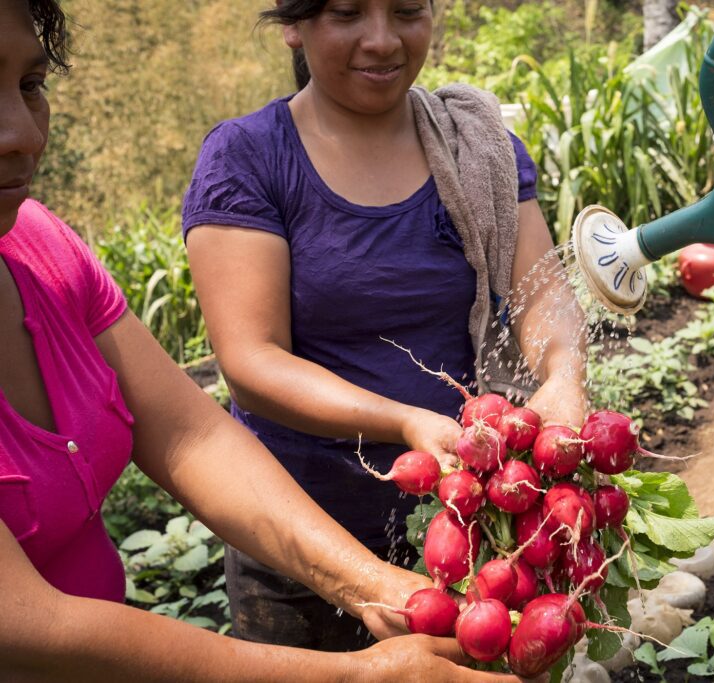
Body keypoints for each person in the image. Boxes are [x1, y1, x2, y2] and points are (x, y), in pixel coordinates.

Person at [0, 1, 530, 679]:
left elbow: (192, 436)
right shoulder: (251, 156)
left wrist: (371, 584)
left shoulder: (41, 247)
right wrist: (360, 673)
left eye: (31, 85)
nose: (23, 134)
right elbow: (23, 620)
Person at [182, 0, 589, 652]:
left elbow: (541, 292)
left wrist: (564, 372)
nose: (383, 40)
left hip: (472, 532)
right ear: (294, 22)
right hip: (300, 545)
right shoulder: (249, 158)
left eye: (406, 11)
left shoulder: (473, 145)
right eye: (346, 13)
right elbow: (252, 361)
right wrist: (403, 422)